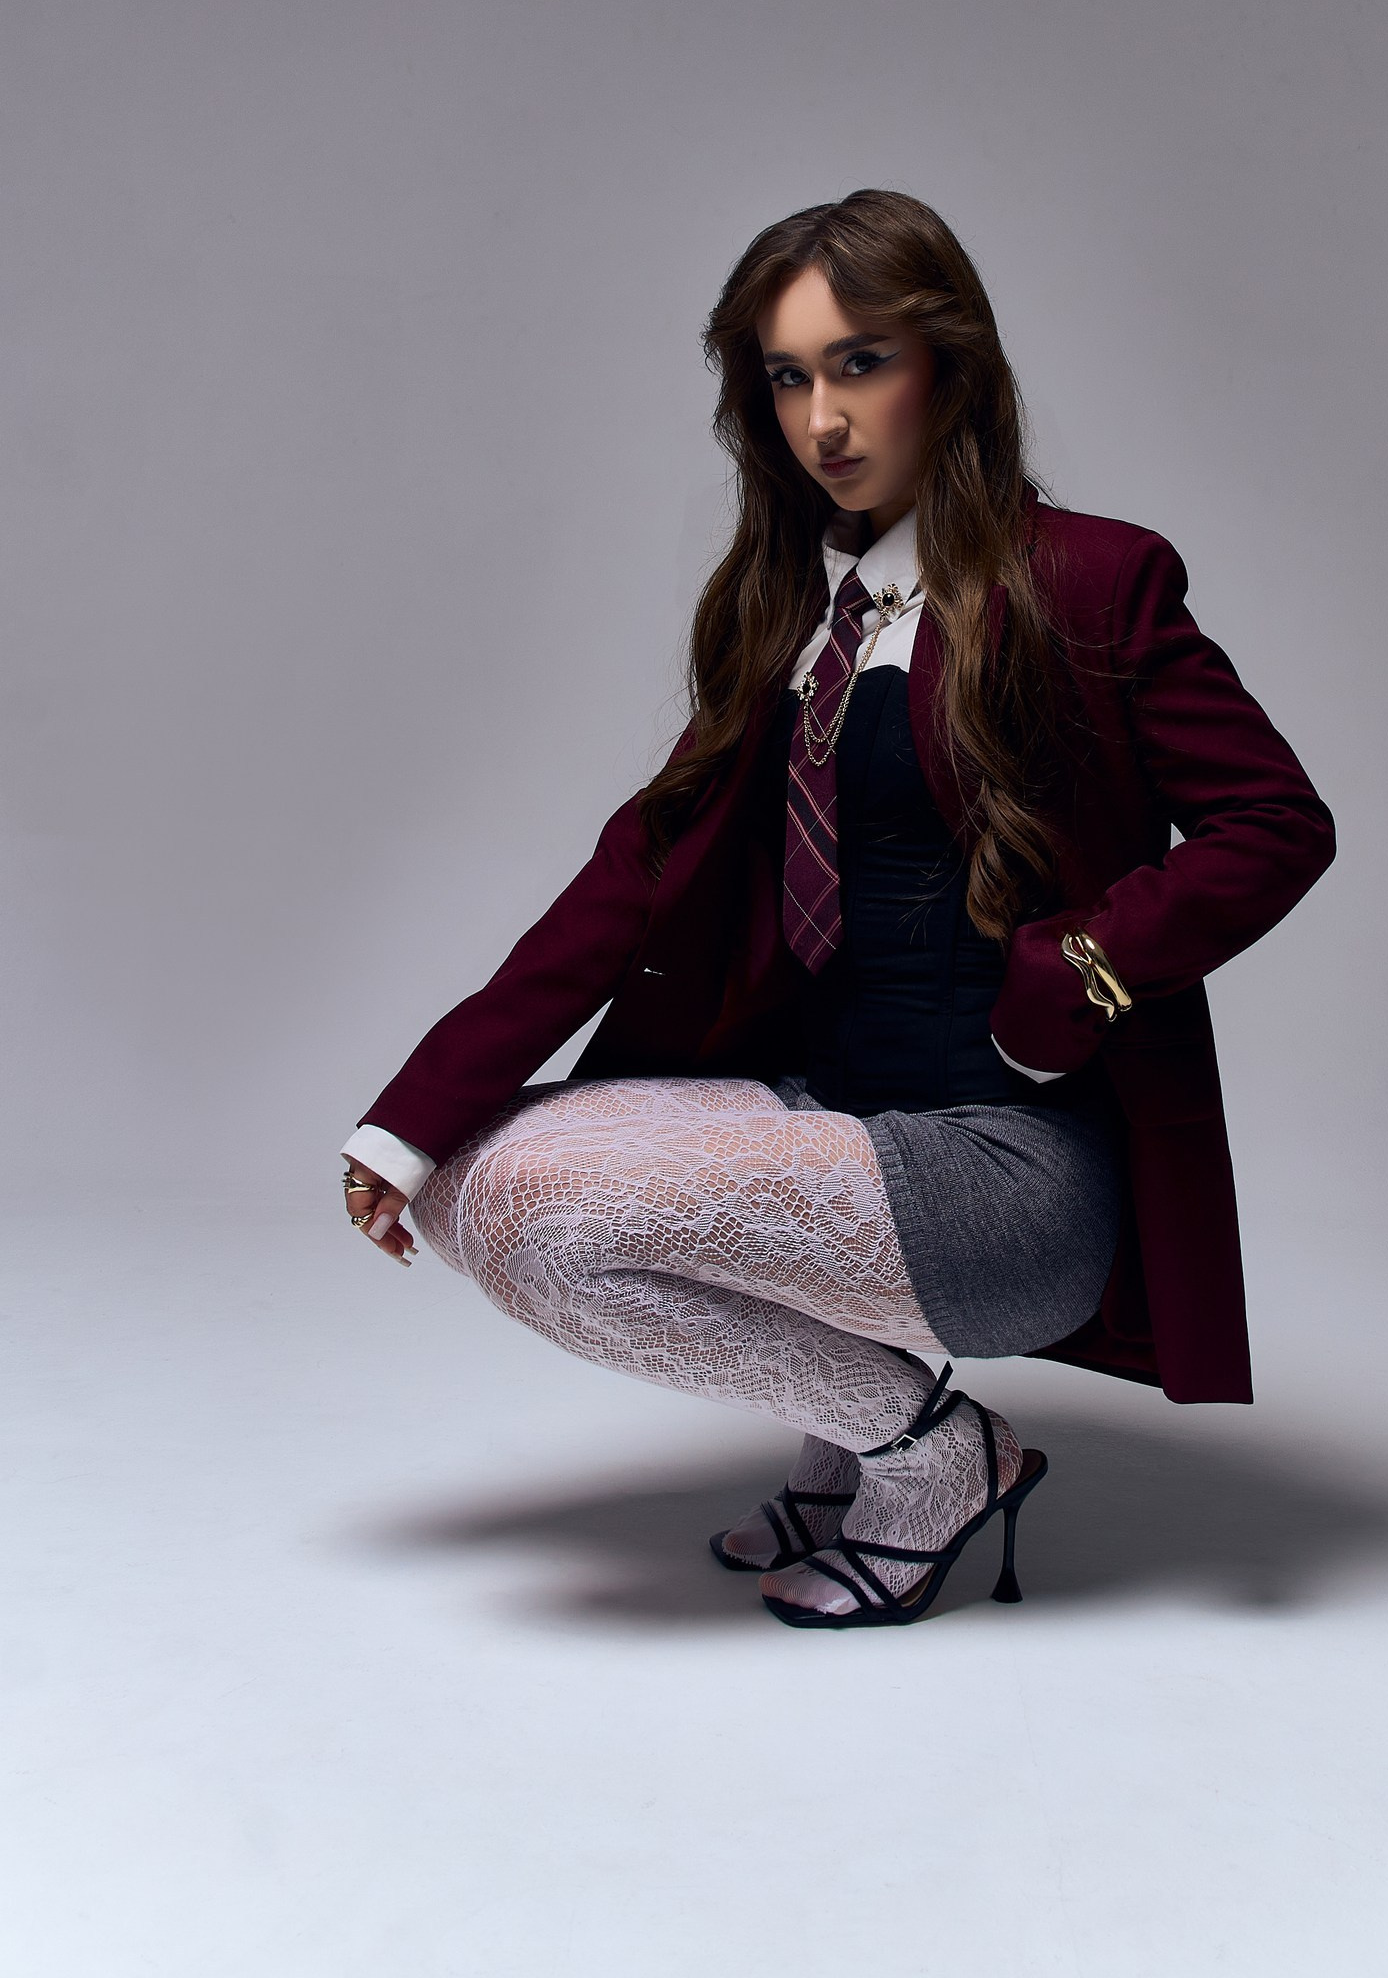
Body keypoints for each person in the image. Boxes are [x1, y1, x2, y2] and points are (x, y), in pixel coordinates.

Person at [338, 189, 1336, 1629]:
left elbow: (1276, 825)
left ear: (950, 365)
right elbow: (632, 878)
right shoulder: (796, 610)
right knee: (468, 1178)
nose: (824, 419)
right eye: (788, 377)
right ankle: (858, 1435)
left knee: (540, 1213)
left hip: (1006, 1170)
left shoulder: (1092, 580)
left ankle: (929, 1457)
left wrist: (1085, 973)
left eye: (862, 363)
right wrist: (409, 1115)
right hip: (831, 1111)